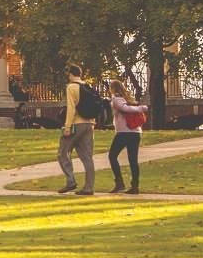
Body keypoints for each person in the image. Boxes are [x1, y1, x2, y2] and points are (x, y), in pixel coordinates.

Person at [55, 64, 98, 195]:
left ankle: (70, 181)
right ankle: (89, 187)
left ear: (71, 74)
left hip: (76, 124)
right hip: (90, 124)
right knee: (87, 157)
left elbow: (71, 109)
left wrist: (67, 127)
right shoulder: (87, 87)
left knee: (63, 152)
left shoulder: (71, 87)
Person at [106, 78, 148, 194]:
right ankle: (135, 186)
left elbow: (125, 109)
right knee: (133, 160)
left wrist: (141, 108)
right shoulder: (129, 98)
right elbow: (128, 107)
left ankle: (119, 183)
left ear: (113, 89)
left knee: (112, 156)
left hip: (124, 132)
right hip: (136, 132)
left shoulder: (116, 99)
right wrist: (140, 108)